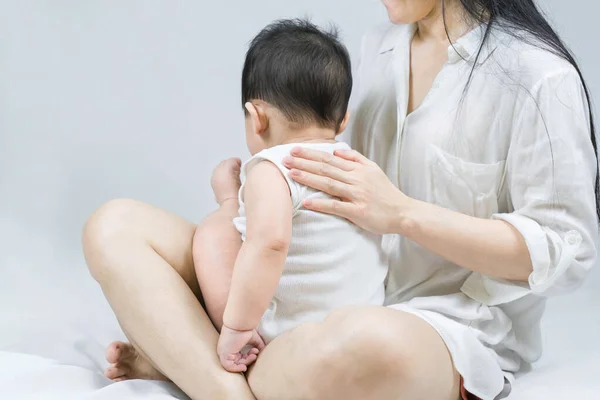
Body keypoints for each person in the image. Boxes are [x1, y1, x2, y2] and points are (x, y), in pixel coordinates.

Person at [82, 0, 599, 399]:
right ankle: (227, 385)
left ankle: (188, 363)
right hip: (324, 289)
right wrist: (257, 202)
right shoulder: (380, 46)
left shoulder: (539, 77)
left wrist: (402, 214)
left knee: (366, 340)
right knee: (115, 226)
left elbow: (568, 251)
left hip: (440, 327)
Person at [199, 19, 387, 373]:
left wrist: (230, 201)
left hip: (288, 337)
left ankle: (221, 345)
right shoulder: (358, 168)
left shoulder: (270, 168)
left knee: (213, 232)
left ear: (257, 118)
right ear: (343, 119)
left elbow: (270, 242)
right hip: (363, 328)